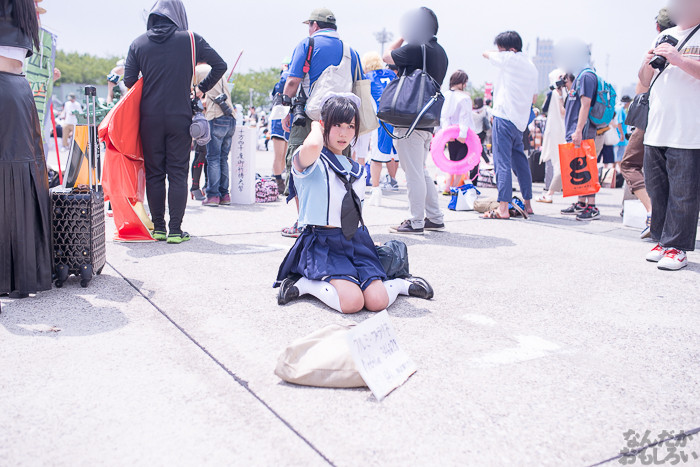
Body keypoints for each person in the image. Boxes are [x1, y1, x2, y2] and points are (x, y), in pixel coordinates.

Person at [275, 95, 433, 314]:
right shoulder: (310, 161)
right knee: (352, 303)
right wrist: (315, 125)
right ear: (324, 125)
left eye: (350, 126)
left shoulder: (356, 169)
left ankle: (401, 284)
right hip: (323, 244)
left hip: (355, 242)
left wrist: (368, 242)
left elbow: (352, 214)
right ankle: (302, 284)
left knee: (377, 301)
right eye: (337, 125)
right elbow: (313, 144)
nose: (344, 133)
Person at [124, 0, 226, 244]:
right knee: (178, 173)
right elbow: (220, 65)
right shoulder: (191, 40)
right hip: (180, 116)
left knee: (154, 173)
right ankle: (176, 231)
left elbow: (128, 81)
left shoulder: (138, 43)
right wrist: (200, 89)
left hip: (149, 118)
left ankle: (159, 228)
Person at [279, 7, 363, 238]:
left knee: (300, 165)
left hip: (310, 117)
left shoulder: (308, 44)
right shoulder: (351, 51)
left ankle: (303, 222)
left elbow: (293, 81)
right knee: (339, 168)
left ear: (314, 25)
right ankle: (338, 222)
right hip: (342, 120)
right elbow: (359, 85)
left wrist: (285, 110)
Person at [639, 0, 700, 271]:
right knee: (657, 190)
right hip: (657, 128)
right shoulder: (664, 35)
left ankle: (678, 247)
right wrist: (647, 63)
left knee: (683, 193)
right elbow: (643, 80)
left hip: (689, 130)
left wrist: (679, 59)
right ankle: (662, 241)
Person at [0, 0, 52, 299]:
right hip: (18, 90)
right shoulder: (25, 11)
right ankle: (19, 274)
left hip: (9, 89)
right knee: (19, 176)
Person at [384, 7, 448, 234]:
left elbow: (387, 56)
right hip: (426, 120)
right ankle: (435, 218)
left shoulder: (416, 47)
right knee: (420, 170)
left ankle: (416, 221)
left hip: (409, 121)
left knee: (413, 174)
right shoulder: (439, 51)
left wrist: (403, 36)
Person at [621, 7, 676, 240]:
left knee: (629, 164)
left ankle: (654, 212)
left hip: (653, 117)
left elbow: (642, 87)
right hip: (682, 120)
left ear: (657, 27)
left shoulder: (658, 48)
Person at [481, 31, 538, 220]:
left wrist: (500, 54)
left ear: (511, 50)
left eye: (501, 50)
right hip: (520, 122)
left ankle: (503, 208)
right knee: (520, 162)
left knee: (502, 162)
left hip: (504, 117)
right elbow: (534, 98)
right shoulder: (532, 67)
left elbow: (485, 53)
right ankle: (528, 204)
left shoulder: (510, 59)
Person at [556, 38, 606, 221]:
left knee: (587, 165)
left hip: (583, 130)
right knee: (579, 165)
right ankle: (581, 202)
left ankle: (592, 206)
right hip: (576, 129)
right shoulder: (579, 76)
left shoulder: (586, 76)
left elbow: (585, 105)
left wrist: (578, 130)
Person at [195, 62, 235, 207]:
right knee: (223, 158)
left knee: (213, 158)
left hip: (216, 116)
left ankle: (212, 195)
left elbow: (194, 93)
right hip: (230, 117)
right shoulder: (217, 71)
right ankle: (224, 195)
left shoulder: (198, 70)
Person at [363, 51, 399, 207]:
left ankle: (376, 190)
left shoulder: (367, 78)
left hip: (381, 120)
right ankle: (393, 180)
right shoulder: (391, 74)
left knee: (376, 158)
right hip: (398, 119)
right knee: (395, 155)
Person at [536, 71, 572, 203]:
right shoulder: (568, 93)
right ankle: (556, 188)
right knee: (560, 159)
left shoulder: (554, 94)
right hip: (564, 129)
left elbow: (546, 109)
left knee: (552, 158)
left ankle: (549, 189)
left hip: (554, 129)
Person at [439, 69, 475, 193]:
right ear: (461, 82)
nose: (465, 85)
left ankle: (447, 187)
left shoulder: (446, 95)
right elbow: (465, 118)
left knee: (452, 161)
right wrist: (463, 134)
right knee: (460, 164)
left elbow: (444, 116)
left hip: (451, 134)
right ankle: (454, 188)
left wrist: (447, 132)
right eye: (465, 82)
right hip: (464, 136)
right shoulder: (464, 97)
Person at [270, 60, 291, 194]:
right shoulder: (282, 82)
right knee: (279, 155)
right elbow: (284, 82)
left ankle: (281, 180)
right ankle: (278, 182)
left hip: (287, 119)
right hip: (279, 119)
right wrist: (286, 71)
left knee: (285, 155)